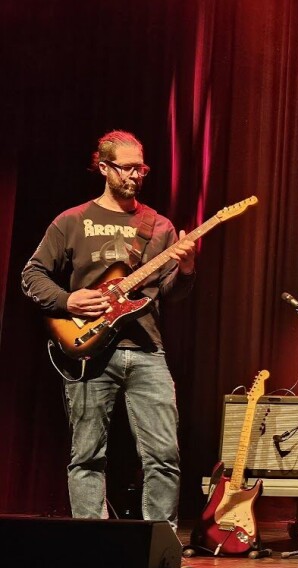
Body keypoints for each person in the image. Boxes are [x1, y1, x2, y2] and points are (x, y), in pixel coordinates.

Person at [22, 130, 196, 529]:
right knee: (87, 455)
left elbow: (171, 294)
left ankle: (161, 548)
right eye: (128, 167)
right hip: (87, 349)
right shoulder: (72, 220)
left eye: (142, 168)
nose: (136, 175)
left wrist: (186, 269)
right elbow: (32, 275)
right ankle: (90, 544)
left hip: (147, 349)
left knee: (164, 455)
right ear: (104, 167)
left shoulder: (159, 226)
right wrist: (68, 300)